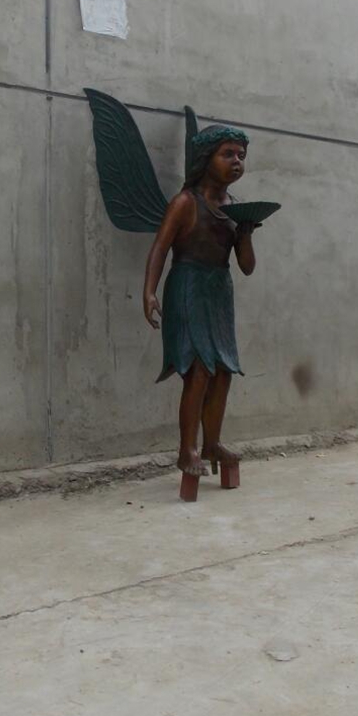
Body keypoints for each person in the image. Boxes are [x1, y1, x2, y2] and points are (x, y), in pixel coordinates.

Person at [142, 125, 257, 479]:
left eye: (241, 155)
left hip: (219, 290)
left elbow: (247, 267)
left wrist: (246, 234)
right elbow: (160, 246)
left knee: (223, 371)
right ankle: (186, 449)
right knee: (199, 371)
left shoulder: (235, 209)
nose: (236, 161)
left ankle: (213, 443)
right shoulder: (185, 202)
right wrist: (149, 290)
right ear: (206, 159)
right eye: (228, 154)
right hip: (188, 285)